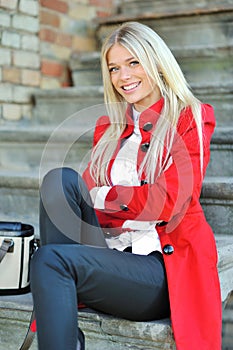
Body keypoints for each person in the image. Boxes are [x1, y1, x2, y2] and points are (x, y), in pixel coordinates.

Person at [30, 21, 222, 350]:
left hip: (159, 270)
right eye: (114, 68)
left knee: (49, 260)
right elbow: (89, 191)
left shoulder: (191, 118)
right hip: (109, 257)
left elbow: (169, 201)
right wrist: (120, 200)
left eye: (134, 62)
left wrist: (106, 196)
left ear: (156, 61)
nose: (124, 76)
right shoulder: (109, 129)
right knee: (57, 182)